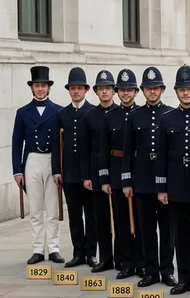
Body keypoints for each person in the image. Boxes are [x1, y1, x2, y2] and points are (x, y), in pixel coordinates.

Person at [157, 66, 190, 295]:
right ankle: (185, 279)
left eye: (189, 89)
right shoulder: (167, 119)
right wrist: (161, 187)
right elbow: (161, 155)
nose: (186, 94)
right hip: (176, 186)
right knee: (181, 235)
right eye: (181, 90)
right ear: (176, 92)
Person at [122, 66, 174, 288]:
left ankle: (167, 270)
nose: (152, 92)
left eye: (156, 88)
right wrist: (126, 181)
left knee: (167, 230)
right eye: (148, 89)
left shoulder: (170, 114)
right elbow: (127, 150)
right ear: (142, 90)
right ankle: (150, 270)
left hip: (165, 182)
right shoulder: (134, 116)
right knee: (146, 230)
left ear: (162, 89)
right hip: (142, 181)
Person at [12, 66, 63, 265]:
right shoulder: (22, 112)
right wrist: (17, 170)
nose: (40, 89)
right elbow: (17, 142)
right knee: (35, 208)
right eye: (36, 86)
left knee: (52, 207)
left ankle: (54, 248)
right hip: (31, 160)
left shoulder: (58, 111)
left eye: (43, 85)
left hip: (51, 160)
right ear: (32, 88)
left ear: (49, 88)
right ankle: (37, 249)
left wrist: (59, 168)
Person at [52, 67, 96, 268]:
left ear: (86, 90)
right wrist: (56, 170)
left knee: (92, 214)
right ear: (69, 91)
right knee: (75, 216)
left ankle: (91, 252)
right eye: (72, 88)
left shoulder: (92, 112)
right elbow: (56, 145)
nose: (76, 91)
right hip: (69, 173)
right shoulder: (62, 115)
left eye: (79, 88)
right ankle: (78, 252)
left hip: (88, 174)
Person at [99, 69, 140, 277]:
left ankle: (140, 261)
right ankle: (125, 262)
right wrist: (105, 178)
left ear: (135, 92)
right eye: (122, 90)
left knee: (139, 222)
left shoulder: (141, 114)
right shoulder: (110, 116)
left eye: (129, 90)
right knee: (121, 220)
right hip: (116, 172)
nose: (125, 94)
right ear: (118, 92)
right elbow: (104, 149)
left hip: (137, 171)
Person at [81, 70, 118, 275]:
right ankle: (105, 258)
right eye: (101, 89)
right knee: (101, 218)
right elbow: (85, 149)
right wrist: (86, 175)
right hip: (96, 171)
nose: (104, 92)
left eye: (108, 89)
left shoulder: (120, 114)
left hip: (116, 168)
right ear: (96, 92)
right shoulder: (90, 116)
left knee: (119, 218)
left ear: (114, 91)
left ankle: (121, 257)